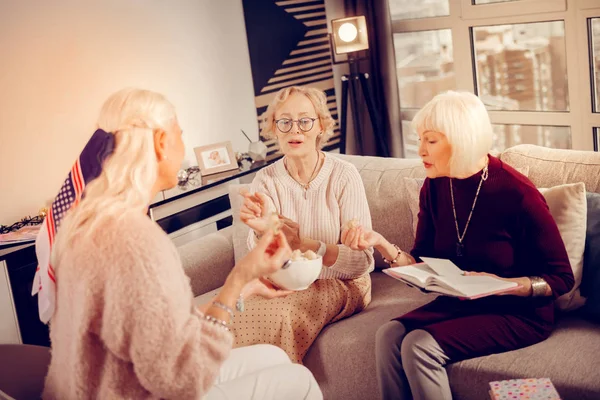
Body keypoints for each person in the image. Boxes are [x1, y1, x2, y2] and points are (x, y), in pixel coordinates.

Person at [43, 88, 323, 400]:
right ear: (162, 142)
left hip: (101, 382)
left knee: (274, 357)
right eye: (180, 134)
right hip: (132, 390)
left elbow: (157, 327)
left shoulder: (84, 220)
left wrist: (244, 287)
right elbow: (184, 376)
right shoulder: (134, 239)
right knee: (300, 380)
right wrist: (239, 277)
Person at [341, 91, 575, 400]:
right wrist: (381, 243)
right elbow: (424, 261)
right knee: (389, 335)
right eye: (420, 139)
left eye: (431, 141)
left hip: (519, 312)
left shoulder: (518, 193)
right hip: (464, 300)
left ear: (462, 139)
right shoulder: (435, 185)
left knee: (419, 345)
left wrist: (507, 286)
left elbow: (561, 278)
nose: (420, 149)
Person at [236, 86, 374, 363]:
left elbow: (362, 262)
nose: (294, 130)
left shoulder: (344, 175)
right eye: (284, 122)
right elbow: (264, 259)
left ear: (320, 126)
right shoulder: (266, 180)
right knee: (235, 315)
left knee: (281, 316)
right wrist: (261, 231)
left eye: (305, 120)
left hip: (342, 282)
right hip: (282, 282)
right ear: (274, 129)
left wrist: (304, 245)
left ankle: (283, 387)